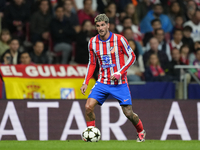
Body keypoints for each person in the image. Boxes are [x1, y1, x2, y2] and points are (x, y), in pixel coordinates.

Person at [80, 14, 146, 142]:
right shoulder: (93, 42)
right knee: (88, 107)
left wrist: (119, 73)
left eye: (103, 25)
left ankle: (140, 131)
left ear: (108, 25)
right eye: (98, 26)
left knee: (128, 113)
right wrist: (85, 82)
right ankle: (90, 135)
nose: (101, 28)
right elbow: (92, 63)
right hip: (102, 82)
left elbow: (132, 57)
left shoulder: (120, 39)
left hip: (119, 83)